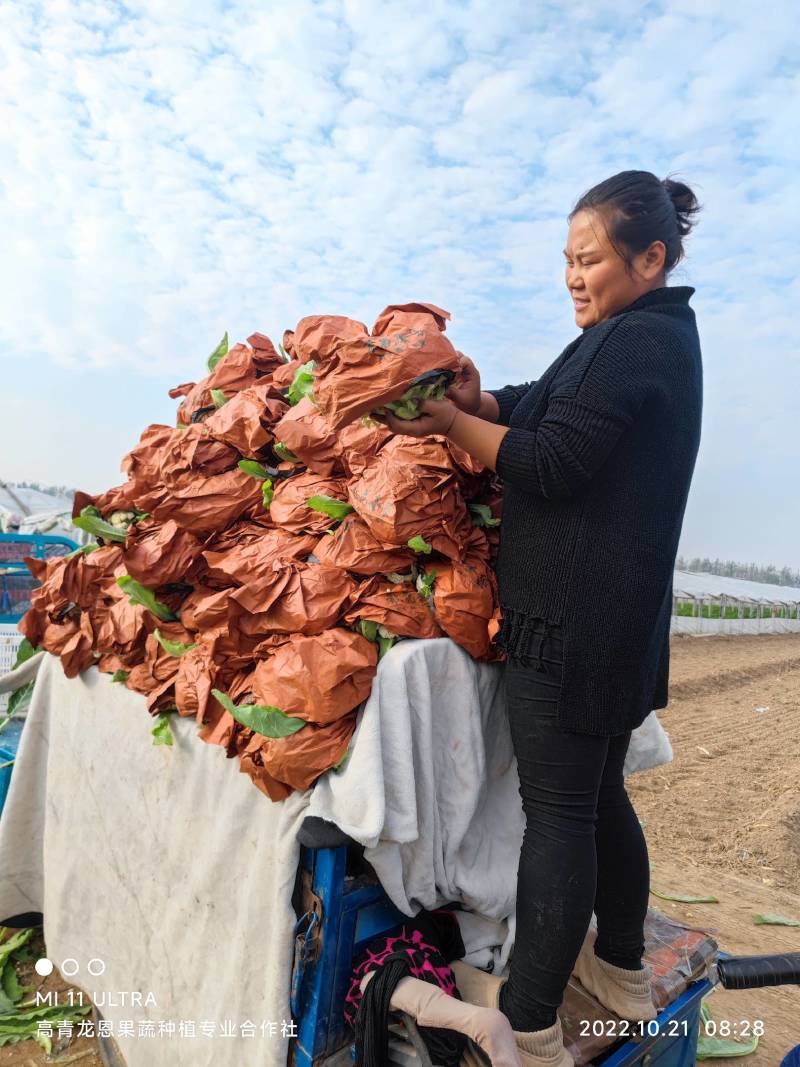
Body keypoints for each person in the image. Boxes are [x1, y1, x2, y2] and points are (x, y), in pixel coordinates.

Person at [380, 170, 703, 1067]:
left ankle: (525, 1023)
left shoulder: (639, 342)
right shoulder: (634, 335)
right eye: (566, 258)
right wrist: (476, 402)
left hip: (570, 625)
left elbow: (551, 459)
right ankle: (623, 971)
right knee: (599, 798)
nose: (573, 275)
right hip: (614, 625)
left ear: (650, 256)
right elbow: (534, 404)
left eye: (589, 258)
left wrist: (445, 421)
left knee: (557, 815)